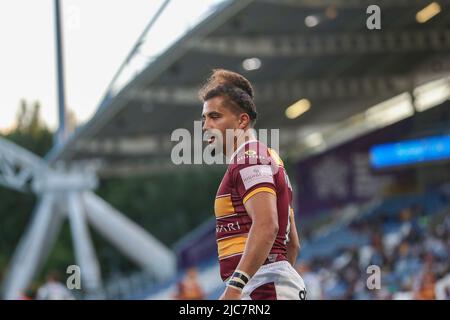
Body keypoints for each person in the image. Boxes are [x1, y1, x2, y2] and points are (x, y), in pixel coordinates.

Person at [199, 69, 306, 300]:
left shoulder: (248, 158)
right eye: (204, 118)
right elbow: (293, 244)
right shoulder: (268, 157)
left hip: (262, 288)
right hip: (266, 285)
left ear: (242, 120)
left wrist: (236, 288)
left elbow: (267, 225)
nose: (205, 125)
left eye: (214, 116)